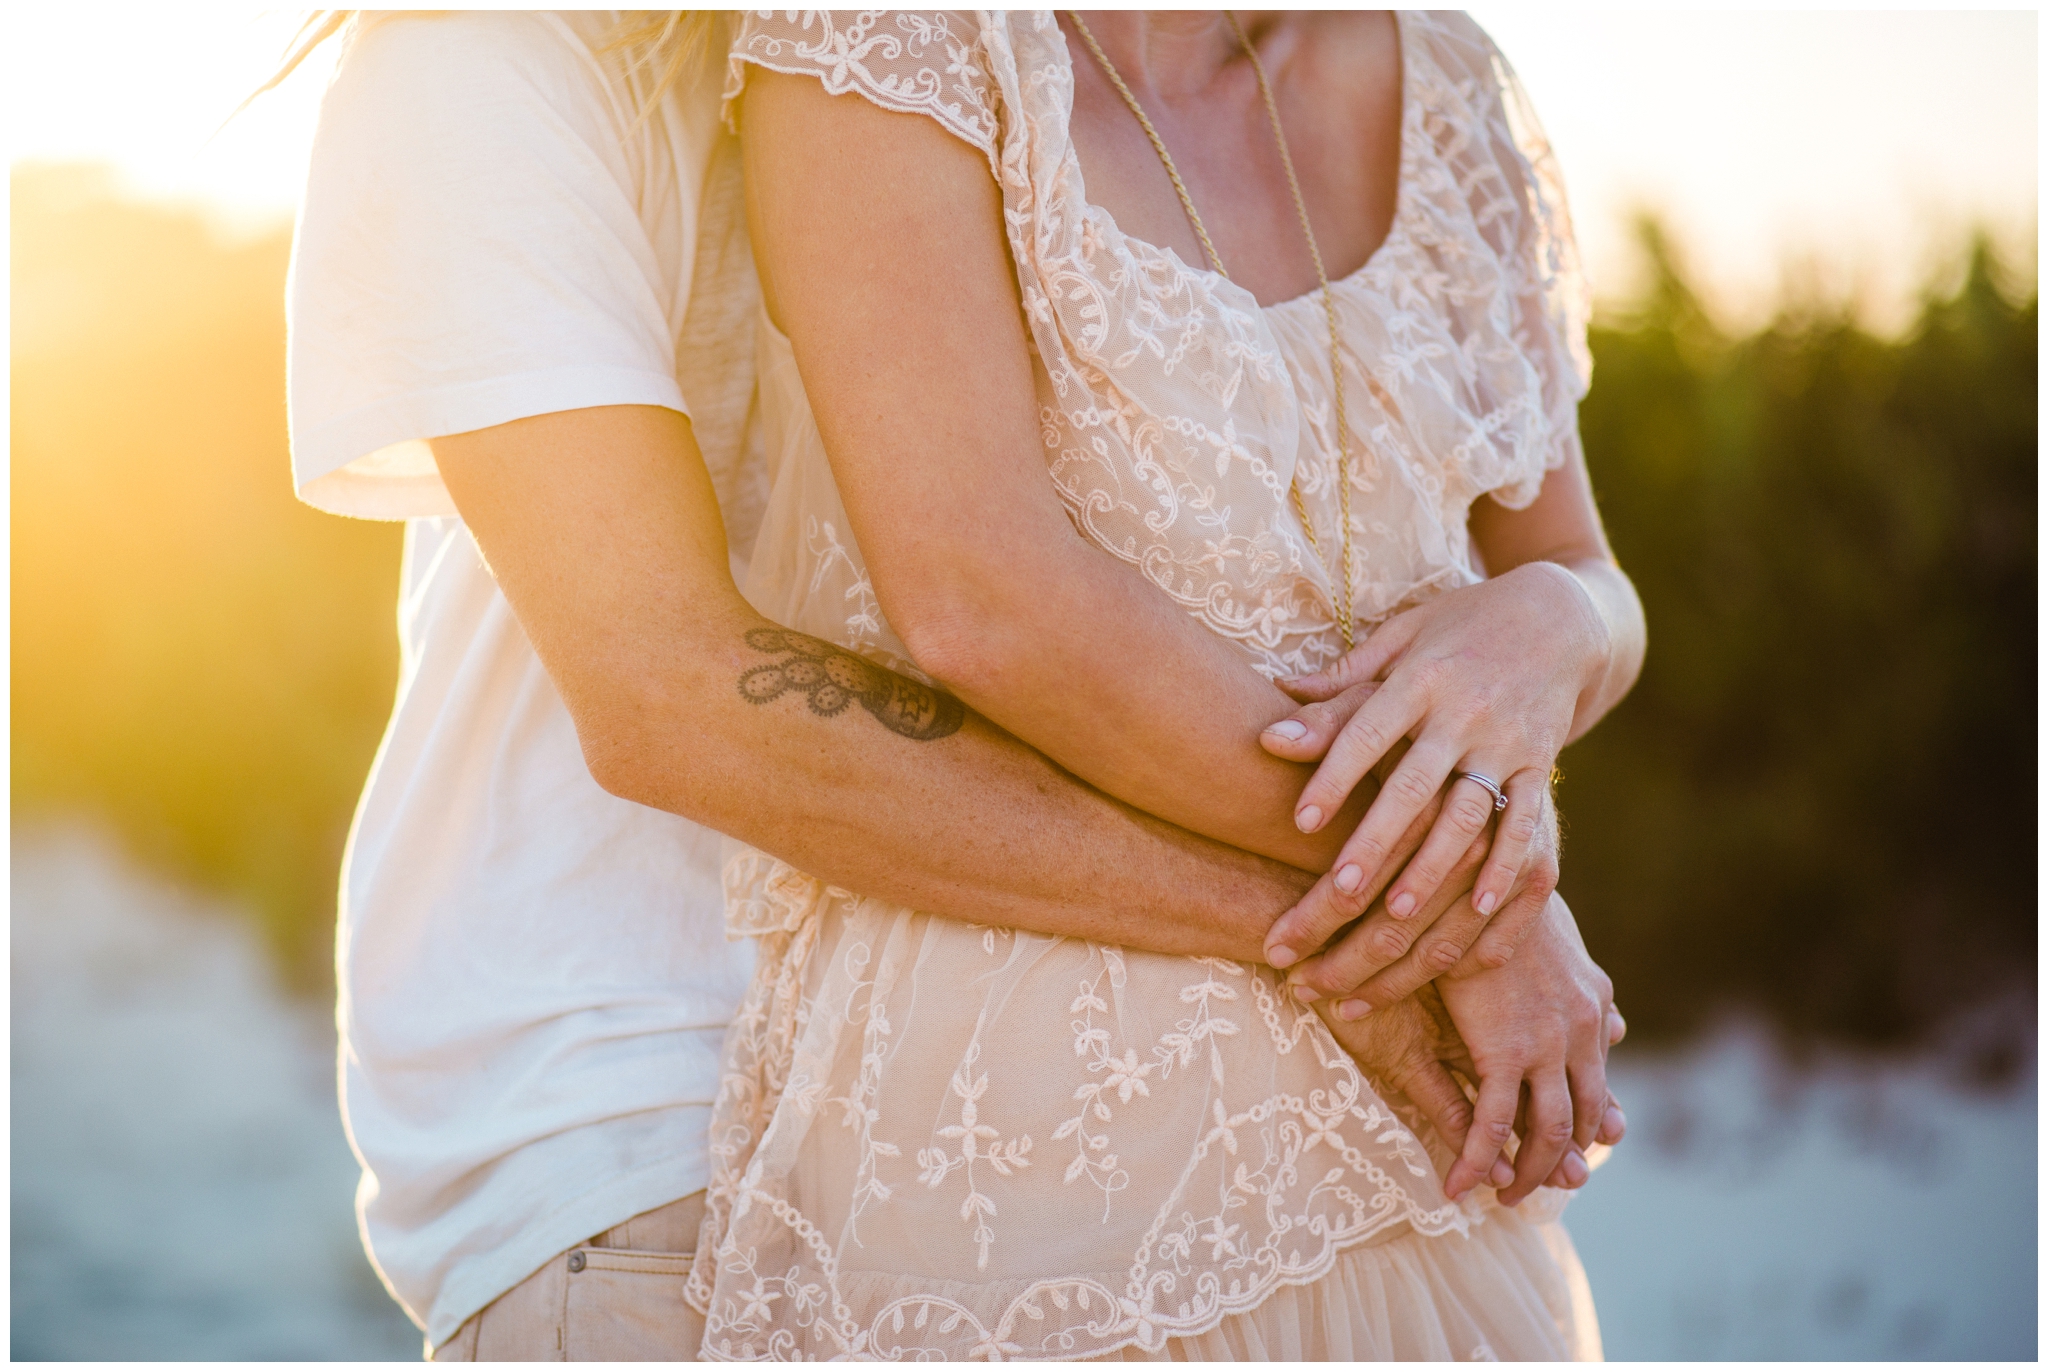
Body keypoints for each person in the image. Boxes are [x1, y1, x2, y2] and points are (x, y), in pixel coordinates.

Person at [282, 10, 1622, 1359]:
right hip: (625, 1131)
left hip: (957, 1080)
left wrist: (1548, 628)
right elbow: (672, 695)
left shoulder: (880, 38)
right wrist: (1430, 919)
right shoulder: (471, 74)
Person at [686, 8, 1644, 1361]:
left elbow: (1585, 570)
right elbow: (980, 600)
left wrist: (1551, 628)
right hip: (1044, 1162)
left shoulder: (1439, 74)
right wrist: (1476, 910)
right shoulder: (887, 41)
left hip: (1426, 1155)